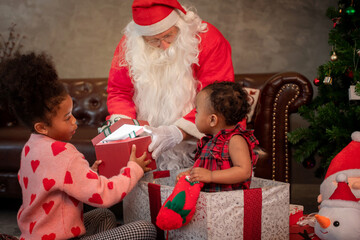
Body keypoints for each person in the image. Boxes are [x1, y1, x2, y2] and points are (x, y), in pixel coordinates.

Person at [0, 53, 157, 240]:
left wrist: (87, 174)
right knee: (145, 229)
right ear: (42, 127)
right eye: (67, 118)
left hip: (37, 234)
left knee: (104, 216)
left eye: (72, 113)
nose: (75, 122)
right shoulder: (64, 154)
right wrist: (134, 169)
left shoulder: (30, 146)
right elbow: (103, 195)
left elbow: (53, 182)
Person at [105, 0, 234, 170]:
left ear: (180, 24)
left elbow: (219, 96)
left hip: (201, 141)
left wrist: (178, 132)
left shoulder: (208, 39)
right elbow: (119, 91)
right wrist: (127, 128)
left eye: (168, 36)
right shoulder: (129, 45)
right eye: (153, 40)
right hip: (148, 146)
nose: (164, 46)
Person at [177, 82, 259, 192]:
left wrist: (211, 175)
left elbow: (244, 172)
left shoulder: (235, 139)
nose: (195, 115)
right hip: (209, 201)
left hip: (229, 202)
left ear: (212, 120)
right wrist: (192, 172)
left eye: (197, 111)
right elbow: (206, 166)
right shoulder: (209, 141)